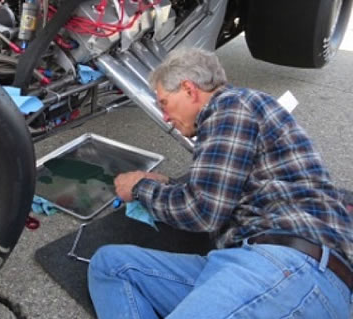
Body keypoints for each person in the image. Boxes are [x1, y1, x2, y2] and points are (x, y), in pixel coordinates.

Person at [88, 48, 353, 318]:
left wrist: (138, 187)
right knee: (109, 265)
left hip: (291, 267)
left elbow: (202, 212)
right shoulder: (242, 114)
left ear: (189, 90)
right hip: (246, 264)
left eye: (164, 103)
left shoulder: (232, 106)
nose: (165, 117)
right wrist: (166, 185)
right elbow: (218, 194)